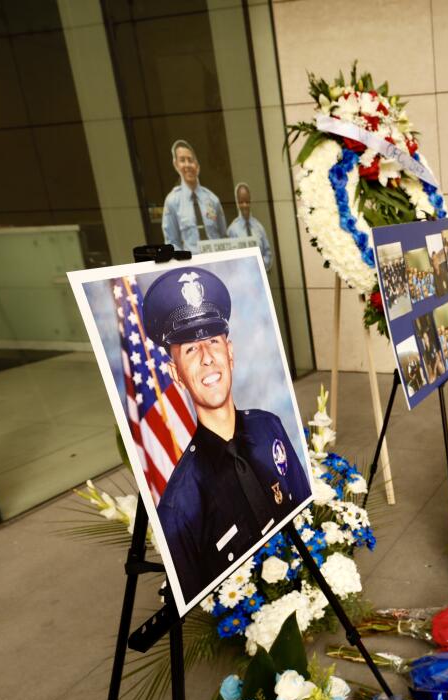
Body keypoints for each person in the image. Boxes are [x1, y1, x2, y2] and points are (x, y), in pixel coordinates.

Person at [142, 266, 310, 601]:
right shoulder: (180, 505)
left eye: (213, 342)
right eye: (190, 349)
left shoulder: (270, 427)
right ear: (176, 374)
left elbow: (302, 508)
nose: (207, 358)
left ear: (230, 353)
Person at [161, 139, 228, 251]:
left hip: (217, 264)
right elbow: (172, 243)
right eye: (182, 160)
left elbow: (223, 236)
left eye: (190, 160)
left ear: (197, 165)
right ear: (176, 164)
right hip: (191, 266)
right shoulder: (172, 202)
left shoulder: (213, 199)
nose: (187, 165)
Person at [227, 182, 273, 271]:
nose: (244, 205)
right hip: (243, 279)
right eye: (241, 202)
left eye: (247, 202)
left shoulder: (259, 227)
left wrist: (261, 263)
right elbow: (230, 261)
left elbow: (268, 253)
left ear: (250, 200)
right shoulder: (232, 230)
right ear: (237, 202)